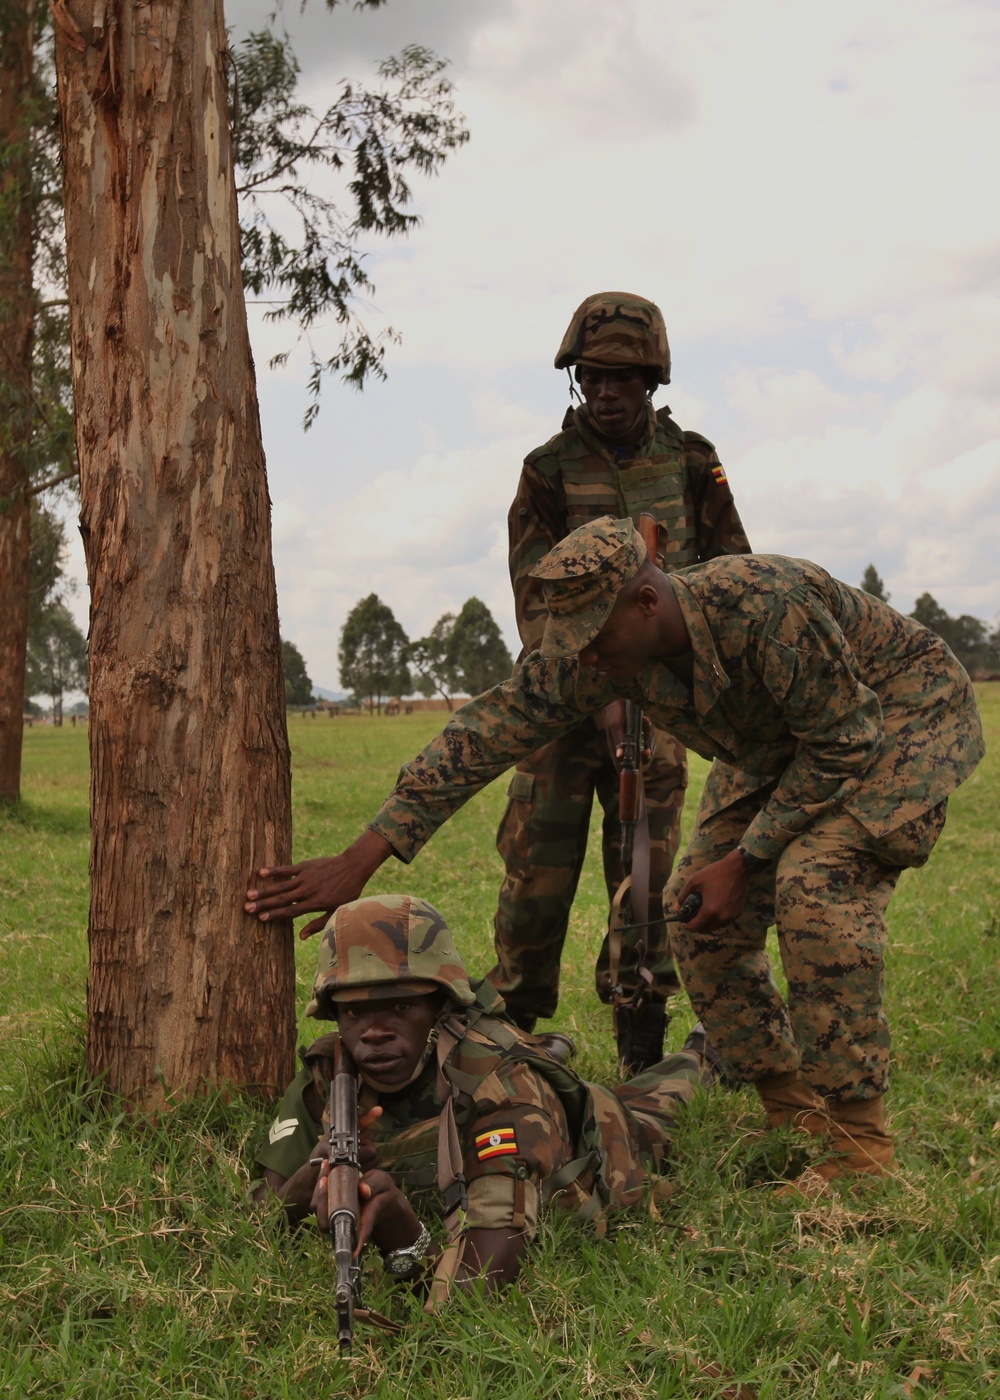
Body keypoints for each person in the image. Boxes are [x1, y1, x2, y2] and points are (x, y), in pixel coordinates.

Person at [246, 518, 984, 1187]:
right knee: (692, 908)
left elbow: (845, 740)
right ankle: (792, 1110)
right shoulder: (595, 650)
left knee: (815, 886)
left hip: (899, 724)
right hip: (775, 750)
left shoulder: (763, 603)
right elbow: (487, 730)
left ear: (646, 600)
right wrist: (360, 858)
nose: (588, 659)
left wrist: (750, 858)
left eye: (598, 637)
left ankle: (859, 1149)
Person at [494, 291, 751, 1071]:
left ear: (653, 381)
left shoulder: (693, 464)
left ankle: (642, 1041)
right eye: (593, 378)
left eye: (625, 379)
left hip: (659, 708)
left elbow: (729, 578)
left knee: (646, 876)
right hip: (561, 712)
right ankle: (513, 1042)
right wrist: (596, 689)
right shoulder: (545, 471)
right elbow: (537, 602)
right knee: (536, 874)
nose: (607, 393)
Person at [254, 893, 707, 1298]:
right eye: (353, 1011)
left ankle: (702, 1048)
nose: (373, 1033)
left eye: (401, 1007)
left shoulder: (500, 1084)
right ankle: (553, 1046)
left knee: (664, 1092)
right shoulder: (330, 1073)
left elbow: (482, 1282)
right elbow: (262, 1216)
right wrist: (316, 1172)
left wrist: (402, 1233)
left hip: (606, 1130)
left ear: (442, 1005)